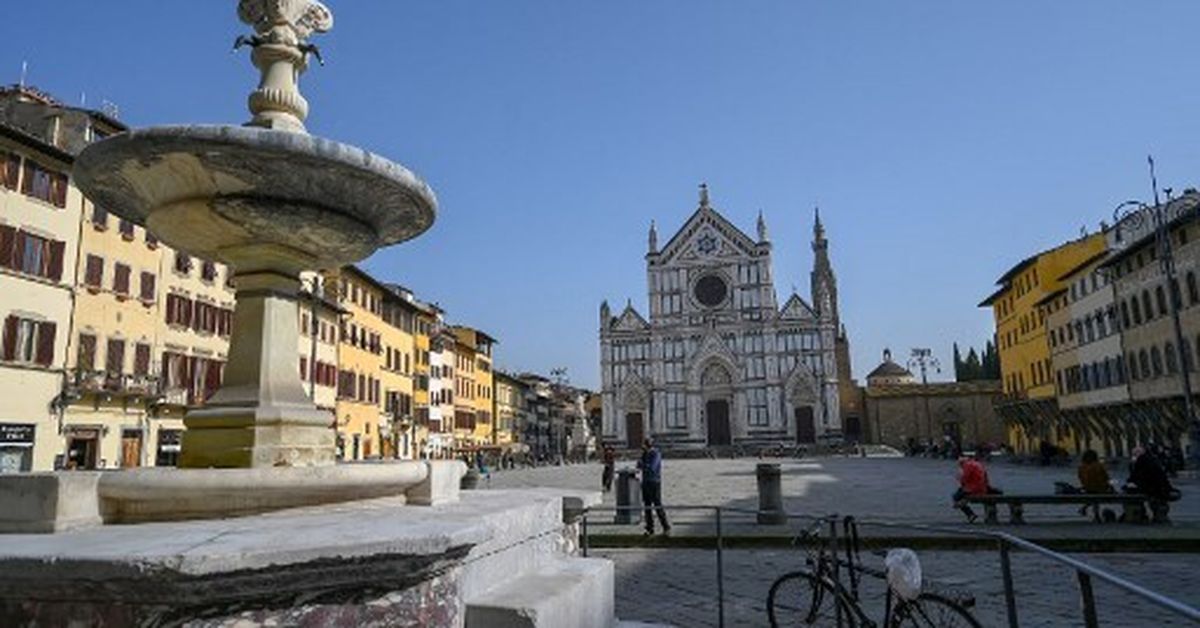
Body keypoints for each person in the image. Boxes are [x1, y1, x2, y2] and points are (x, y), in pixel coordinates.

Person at [952, 452, 1001, 523]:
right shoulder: (978, 464)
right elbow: (986, 478)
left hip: (973, 489)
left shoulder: (967, 465)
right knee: (961, 494)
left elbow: (964, 479)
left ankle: (970, 514)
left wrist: (959, 477)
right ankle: (963, 502)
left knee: (955, 496)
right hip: (982, 488)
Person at [637, 438, 670, 536]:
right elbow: (639, 465)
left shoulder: (656, 454)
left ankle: (666, 527)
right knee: (647, 506)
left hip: (654, 481)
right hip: (645, 481)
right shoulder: (645, 454)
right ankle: (649, 528)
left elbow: (652, 467)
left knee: (657, 504)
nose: (643, 448)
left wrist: (643, 465)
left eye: (645, 445)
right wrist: (642, 464)